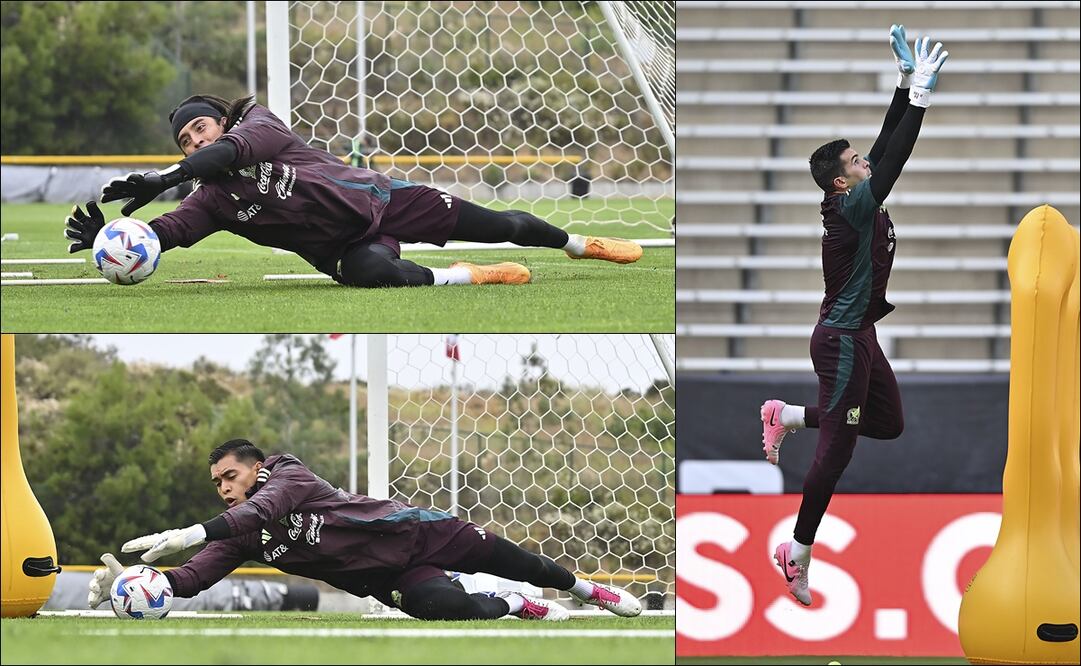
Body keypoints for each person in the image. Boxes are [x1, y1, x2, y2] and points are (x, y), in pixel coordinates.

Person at [64, 94, 643, 287]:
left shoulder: (259, 127)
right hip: (342, 248)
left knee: (507, 226)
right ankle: (468, 275)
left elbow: (232, 152)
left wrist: (164, 177)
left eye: (199, 128)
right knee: (376, 278)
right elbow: (167, 233)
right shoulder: (209, 198)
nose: (195, 142)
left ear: (218, 122)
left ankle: (577, 242)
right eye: (185, 141)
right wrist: (114, 238)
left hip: (385, 199)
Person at [758, 26, 948, 606]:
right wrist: (917, 98)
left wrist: (900, 86)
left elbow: (883, 149)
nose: (866, 160)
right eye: (855, 161)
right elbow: (893, 158)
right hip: (841, 341)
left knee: (886, 423)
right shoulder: (852, 205)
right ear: (843, 181)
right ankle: (798, 551)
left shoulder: (854, 196)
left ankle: (786, 414)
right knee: (837, 452)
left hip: (859, 334)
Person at [87, 439, 642, 621]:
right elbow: (190, 580)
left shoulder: (289, 476)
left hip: (417, 532)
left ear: (256, 468)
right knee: (443, 608)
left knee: (527, 563)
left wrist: (192, 531)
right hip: (389, 576)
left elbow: (259, 510)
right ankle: (514, 605)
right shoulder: (234, 533)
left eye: (229, 476)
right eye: (216, 483)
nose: (224, 487)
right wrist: (132, 585)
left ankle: (590, 592)